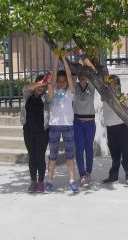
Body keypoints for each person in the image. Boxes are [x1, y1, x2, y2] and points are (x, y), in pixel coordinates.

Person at [44, 53, 79, 193]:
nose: (62, 82)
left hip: (68, 126)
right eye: (59, 80)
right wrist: (54, 58)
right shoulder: (51, 91)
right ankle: (49, 181)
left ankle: (72, 181)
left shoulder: (70, 92)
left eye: (64, 80)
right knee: (52, 155)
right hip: (54, 127)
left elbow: (70, 77)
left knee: (70, 155)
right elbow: (52, 80)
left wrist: (63, 58)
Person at [20, 75, 50, 193]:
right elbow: (26, 87)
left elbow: (51, 94)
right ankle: (33, 181)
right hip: (28, 131)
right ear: (35, 84)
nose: (40, 88)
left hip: (42, 131)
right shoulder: (27, 95)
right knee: (32, 156)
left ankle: (41, 181)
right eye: (38, 85)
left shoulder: (46, 97)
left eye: (43, 86)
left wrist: (47, 84)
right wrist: (40, 82)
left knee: (40, 156)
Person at [102, 75, 128, 185]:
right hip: (110, 127)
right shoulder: (105, 97)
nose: (112, 86)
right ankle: (113, 175)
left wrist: (118, 95)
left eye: (115, 84)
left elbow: (126, 108)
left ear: (118, 86)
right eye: (110, 84)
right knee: (114, 154)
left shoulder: (122, 97)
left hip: (122, 127)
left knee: (126, 153)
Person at [73, 71, 96, 188]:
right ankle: (82, 174)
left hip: (90, 123)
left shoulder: (91, 86)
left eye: (84, 74)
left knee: (89, 148)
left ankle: (88, 172)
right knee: (79, 148)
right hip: (77, 123)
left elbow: (92, 71)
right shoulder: (74, 87)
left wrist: (84, 57)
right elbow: (70, 74)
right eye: (79, 73)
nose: (82, 76)